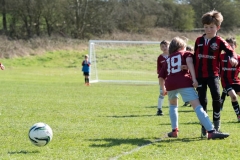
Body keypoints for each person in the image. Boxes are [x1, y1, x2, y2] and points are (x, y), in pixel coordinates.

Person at [159, 36, 229, 139]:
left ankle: (174, 130)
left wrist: (163, 88)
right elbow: (190, 63)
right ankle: (211, 130)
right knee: (197, 106)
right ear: (182, 46)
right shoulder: (186, 53)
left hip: (170, 84)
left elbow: (161, 77)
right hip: (183, 82)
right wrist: (194, 79)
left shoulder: (168, 59)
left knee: (173, 106)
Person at [193, 10, 238, 137]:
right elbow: (195, 57)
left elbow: (230, 51)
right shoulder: (198, 40)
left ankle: (216, 126)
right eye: (206, 27)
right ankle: (204, 127)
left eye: (211, 27)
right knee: (202, 101)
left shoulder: (219, 41)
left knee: (216, 97)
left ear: (218, 27)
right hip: (200, 75)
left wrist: (232, 58)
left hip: (213, 75)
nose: (208, 29)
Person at [219, 37, 240, 121]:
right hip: (226, 81)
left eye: (232, 46)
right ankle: (239, 116)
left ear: (236, 46)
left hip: (236, 80)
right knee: (233, 96)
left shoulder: (238, 57)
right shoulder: (220, 57)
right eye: (228, 46)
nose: (230, 48)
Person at [156, 40, 170, 116]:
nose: (164, 48)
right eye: (162, 47)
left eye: (165, 46)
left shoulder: (173, 55)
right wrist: (161, 77)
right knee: (162, 93)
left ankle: (172, 109)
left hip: (172, 78)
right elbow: (159, 69)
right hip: (163, 79)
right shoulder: (160, 58)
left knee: (172, 94)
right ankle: (159, 109)